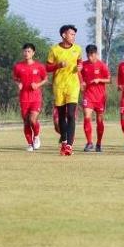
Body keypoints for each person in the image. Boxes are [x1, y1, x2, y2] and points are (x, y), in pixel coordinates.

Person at [46, 24, 82, 156]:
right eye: (71, 34)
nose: (73, 37)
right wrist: (58, 65)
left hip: (73, 85)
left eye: (74, 35)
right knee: (61, 115)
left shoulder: (77, 48)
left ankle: (69, 146)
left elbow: (80, 62)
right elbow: (47, 67)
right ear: (64, 35)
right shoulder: (54, 50)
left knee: (71, 114)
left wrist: (80, 67)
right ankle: (64, 142)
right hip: (59, 85)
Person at [13, 43, 47, 151]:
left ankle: (36, 136)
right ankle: (30, 144)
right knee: (26, 121)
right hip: (24, 98)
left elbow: (45, 79)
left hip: (36, 98)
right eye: (25, 51)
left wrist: (38, 85)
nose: (27, 53)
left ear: (33, 53)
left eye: (29, 51)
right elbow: (15, 78)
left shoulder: (39, 66)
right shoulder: (18, 66)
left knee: (33, 119)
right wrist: (18, 83)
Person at [80, 44, 110, 152]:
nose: (90, 57)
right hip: (88, 95)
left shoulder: (102, 65)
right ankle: (89, 143)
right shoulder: (83, 65)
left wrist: (99, 80)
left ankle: (99, 143)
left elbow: (109, 79)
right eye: (88, 55)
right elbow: (79, 76)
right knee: (87, 116)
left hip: (100, 97)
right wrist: (81, 83)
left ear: (96, 54)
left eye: (92, 55)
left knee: (99, 121)